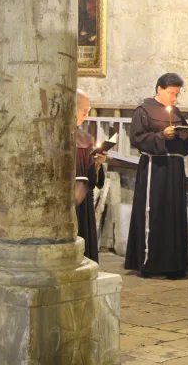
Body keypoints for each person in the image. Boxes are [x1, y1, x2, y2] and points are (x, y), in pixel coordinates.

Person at [124, 73, 188, 279]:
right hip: (155, 169)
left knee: (173, 213)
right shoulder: (143, 111)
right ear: (160, 89)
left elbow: (184, 141)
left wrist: (182, 135)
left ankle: (173, 265)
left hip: (174, 170)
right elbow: (137, 138)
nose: (174, 98)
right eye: (171, 93)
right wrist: (162, 136)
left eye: (177, 94)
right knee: (154, 213)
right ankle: (150, 263)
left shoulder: (176, 112)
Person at [75, 89, 106, 263]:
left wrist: (97, 164)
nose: (86, 115)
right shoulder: (54, 136)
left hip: (84, 198)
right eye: (83, 110)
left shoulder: (85, 138)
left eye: (88, 110)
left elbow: (94, 178)